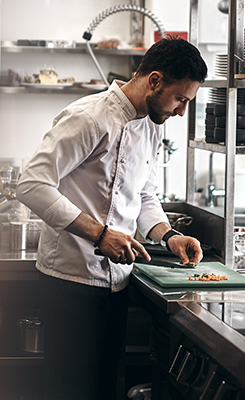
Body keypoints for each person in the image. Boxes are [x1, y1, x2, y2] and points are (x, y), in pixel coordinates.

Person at [16, 37, 208, 400]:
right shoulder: (88, 117)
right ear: (154, 81)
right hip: (70, 280)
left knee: (103, 389)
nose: (182, 111)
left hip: (117, 282)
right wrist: (100, 234)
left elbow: (144, 194)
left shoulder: (152, 124)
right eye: (181, 99)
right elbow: (32, 185)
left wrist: (168, 235)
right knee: (68, 391)